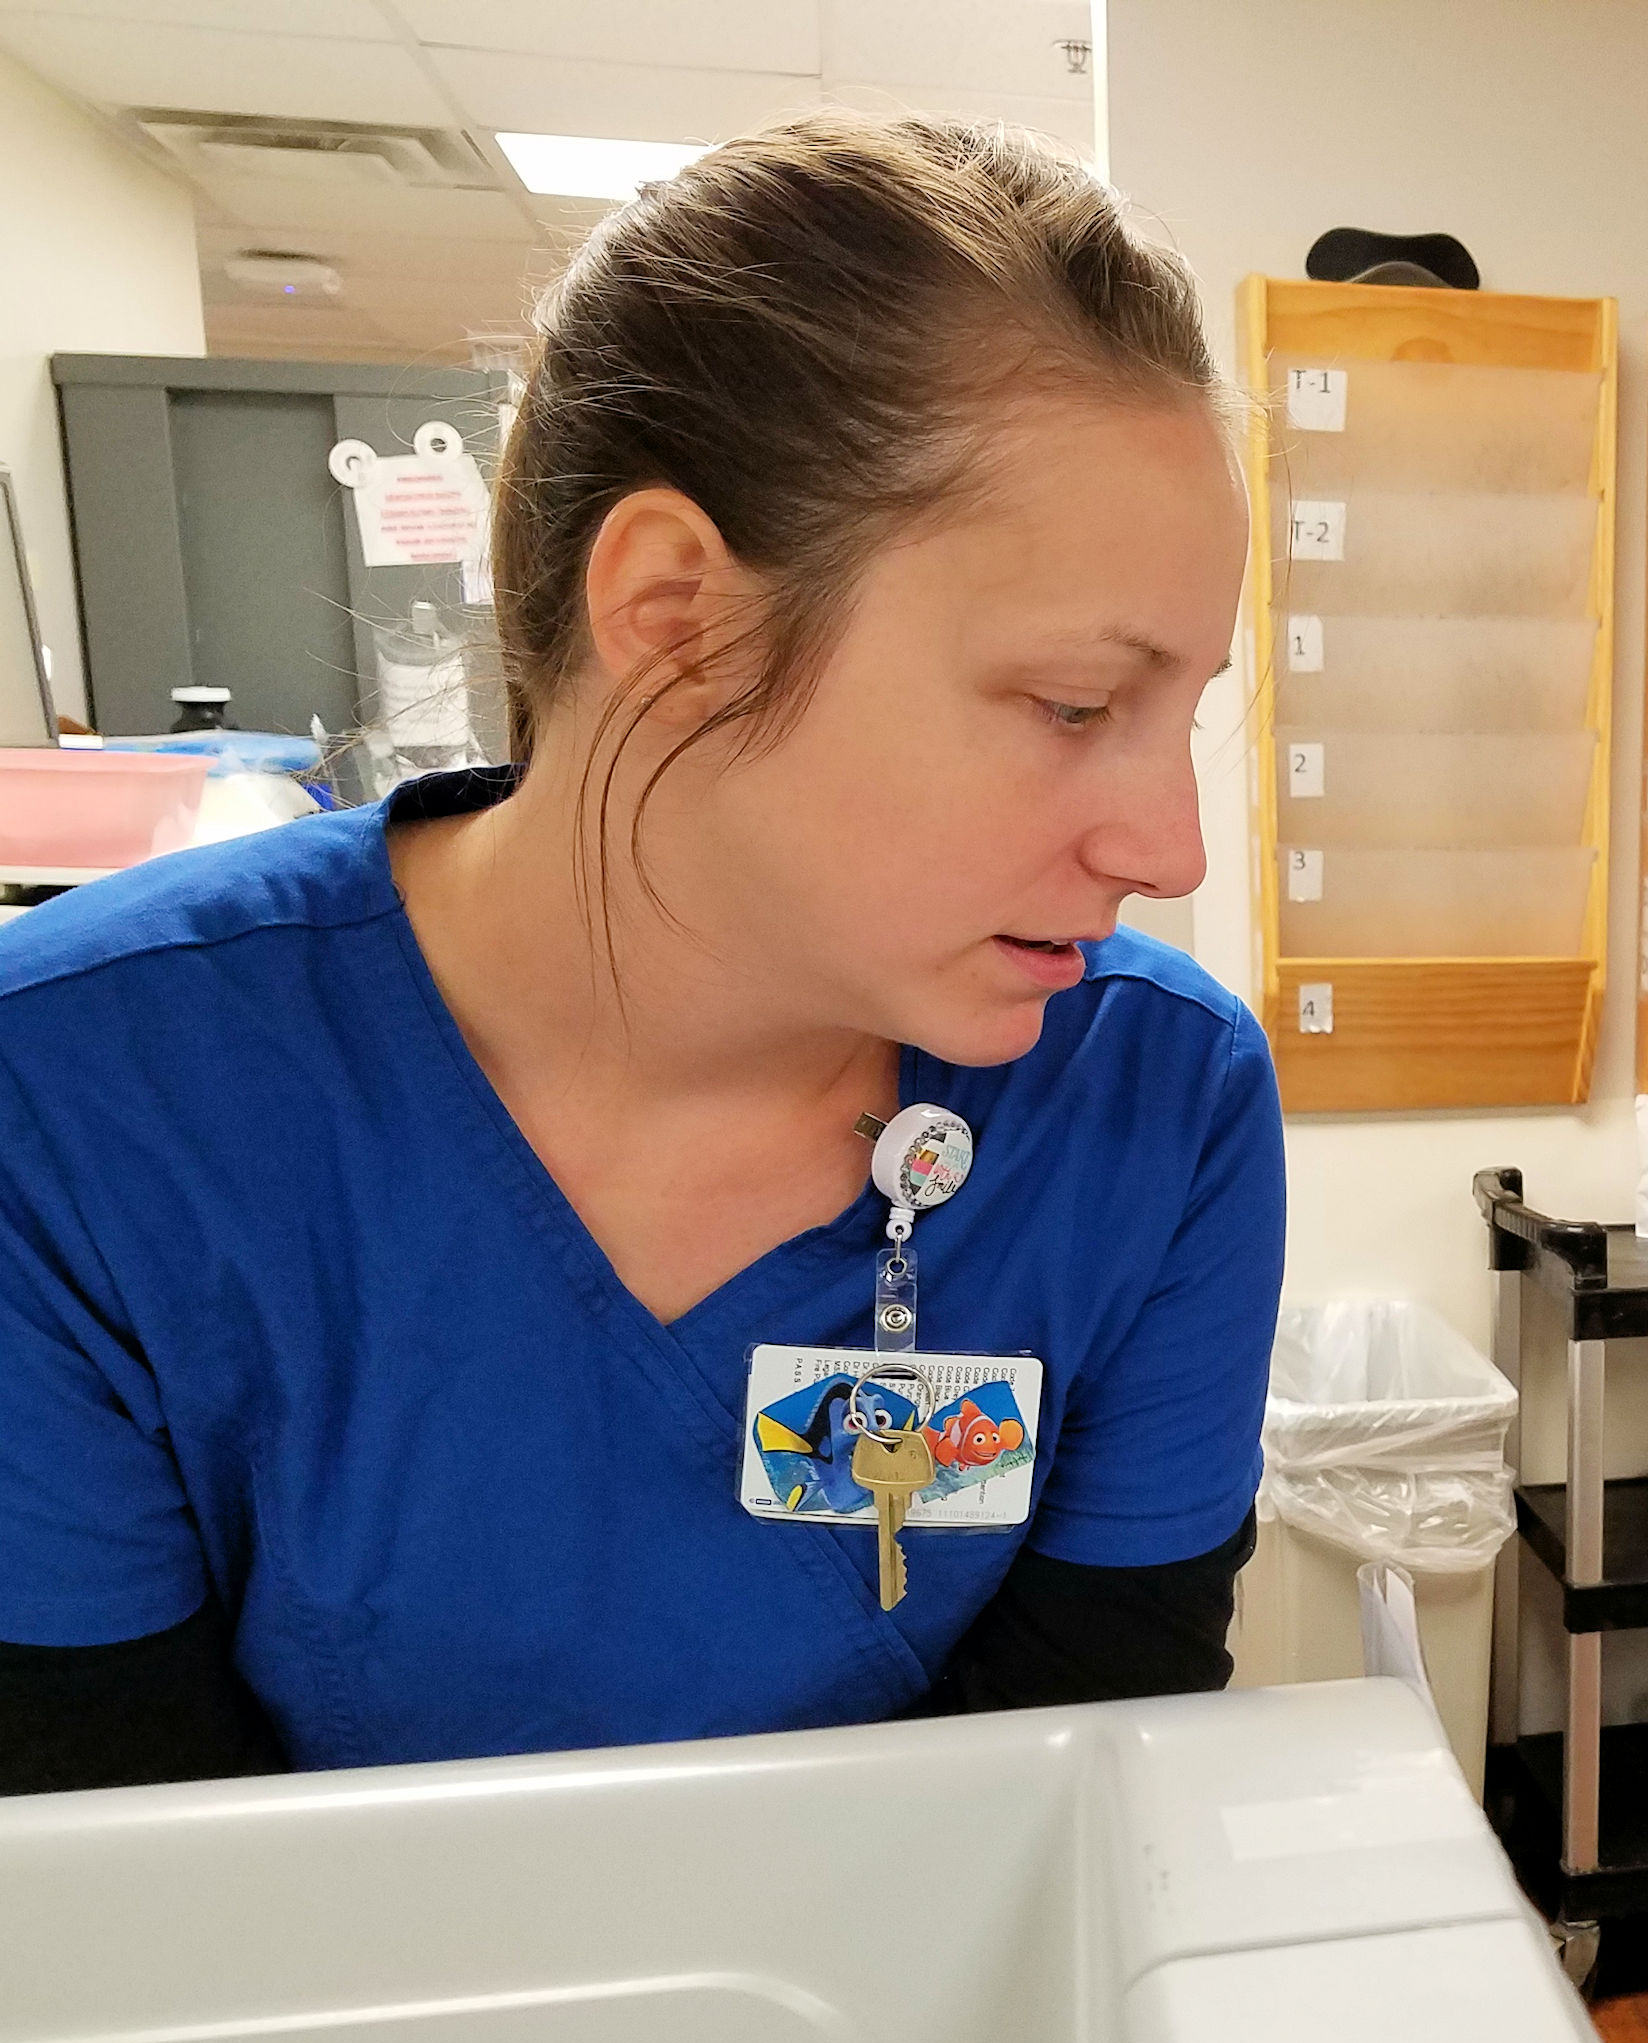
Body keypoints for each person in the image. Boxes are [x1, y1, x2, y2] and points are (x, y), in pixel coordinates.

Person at [0, 115, 1281, 1793]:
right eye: (1070, 704)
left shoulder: (1148, 1107)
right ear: (678, 617)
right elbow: (131, 1883)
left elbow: (1077, 1794)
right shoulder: (86, 1113)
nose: (1169, 849)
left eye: (1185, 714)